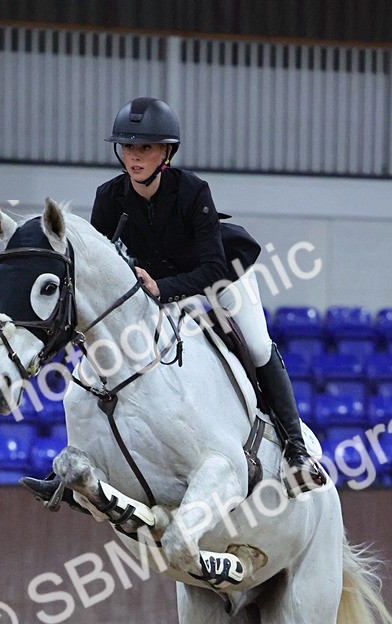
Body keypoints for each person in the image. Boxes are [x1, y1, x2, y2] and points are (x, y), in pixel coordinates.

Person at [89, 96, 326, 494]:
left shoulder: (192, 191)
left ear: (166, 152)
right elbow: (99, 265)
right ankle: (88, 453)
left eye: (145, 147)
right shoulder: (109, 198)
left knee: (256, 344)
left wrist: (162, 288)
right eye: (128, 146)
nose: (134, 156)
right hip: (151, 288)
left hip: (220, 276)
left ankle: (296, 450)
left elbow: (213, 267)